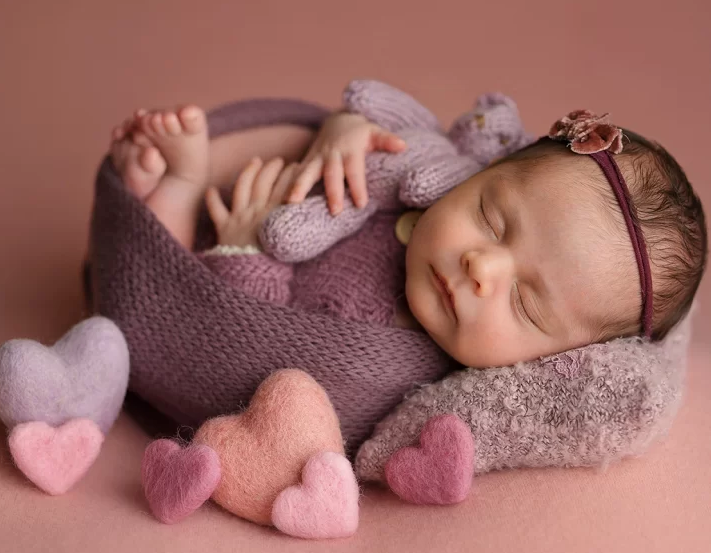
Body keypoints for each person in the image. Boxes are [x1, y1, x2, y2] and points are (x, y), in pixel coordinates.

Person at [108, 84, 707, 369]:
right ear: (486, 169)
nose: (482, 267)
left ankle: (173, 191)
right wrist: (344, 133)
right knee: (235, 182)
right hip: (261, 195)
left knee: (167, 276)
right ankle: (169, 192)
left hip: (227, 282)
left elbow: (252, 344)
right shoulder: (430, 176)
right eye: (491, 219)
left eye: (526, 305)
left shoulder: (396, 362)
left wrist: (244, 248)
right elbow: (400, 132)